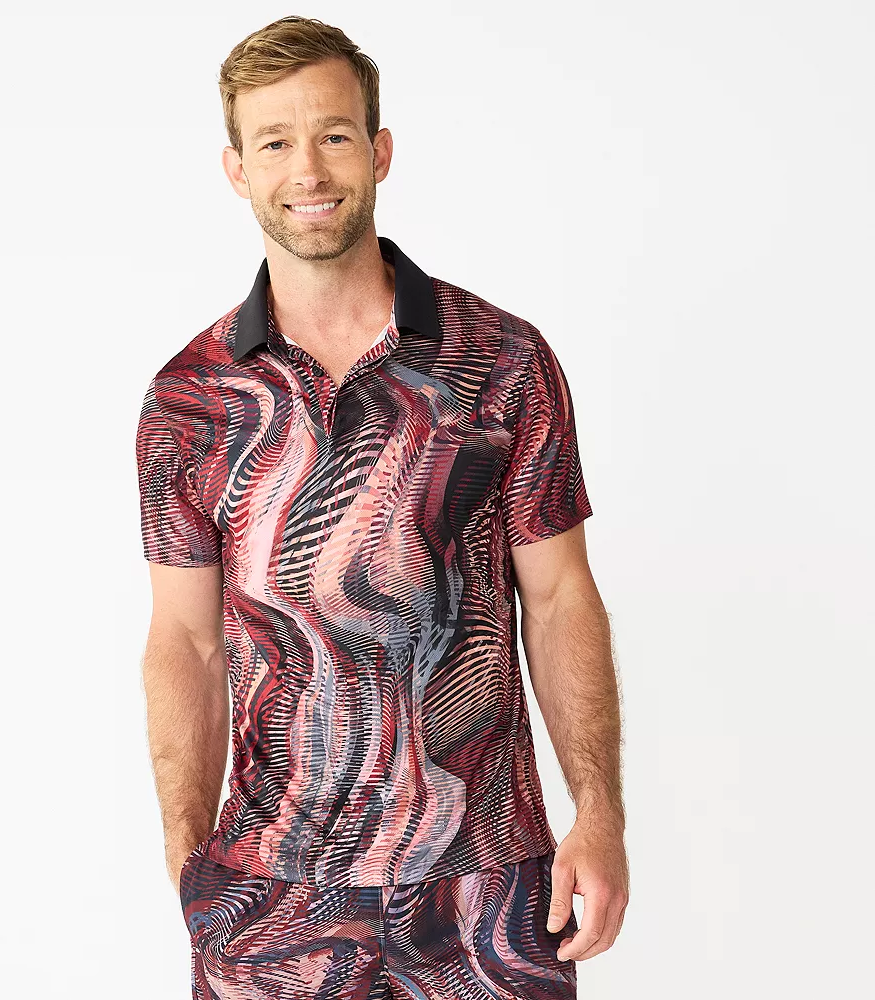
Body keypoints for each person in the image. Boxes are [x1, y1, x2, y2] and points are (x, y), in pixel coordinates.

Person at [135, 15, 627, 1000]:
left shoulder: (502, 361)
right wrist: (190, 860)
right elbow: (183, 640)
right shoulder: (191, 401)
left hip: (486, 884)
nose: (307, 169)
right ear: (237, 170)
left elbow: (561, 596)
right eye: (275, 142)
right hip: (270, 895)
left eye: (334, 134)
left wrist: (601, 813)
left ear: (380, 150)